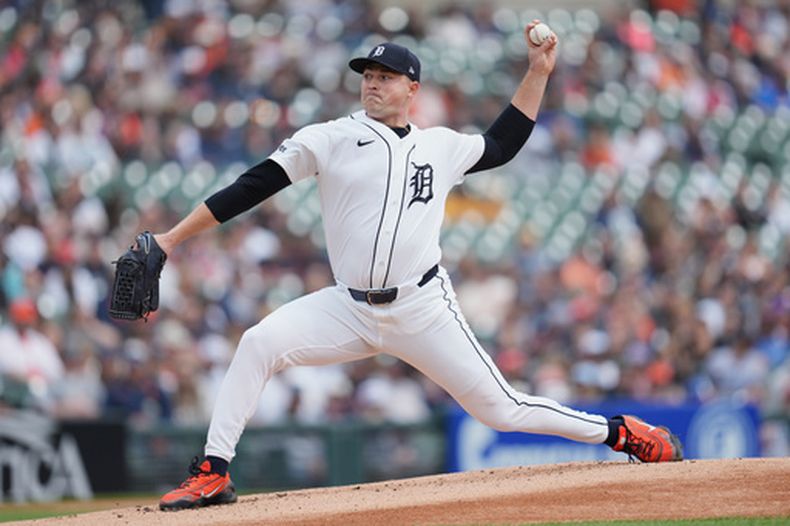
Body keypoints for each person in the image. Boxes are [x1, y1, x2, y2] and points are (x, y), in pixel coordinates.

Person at [155, 21, 682, 511]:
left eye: (386, 76)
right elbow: (254, 184)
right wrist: (172, 238)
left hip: (422, 306)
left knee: (501, 410)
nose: (373, 84)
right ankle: (214, 470)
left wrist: (538, 72)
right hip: (348, 307)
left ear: (413, 88)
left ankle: (618, 432)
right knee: (257, 343)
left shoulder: (440, 146)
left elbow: (502, 143)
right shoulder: (331, 137)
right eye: (368, 75)